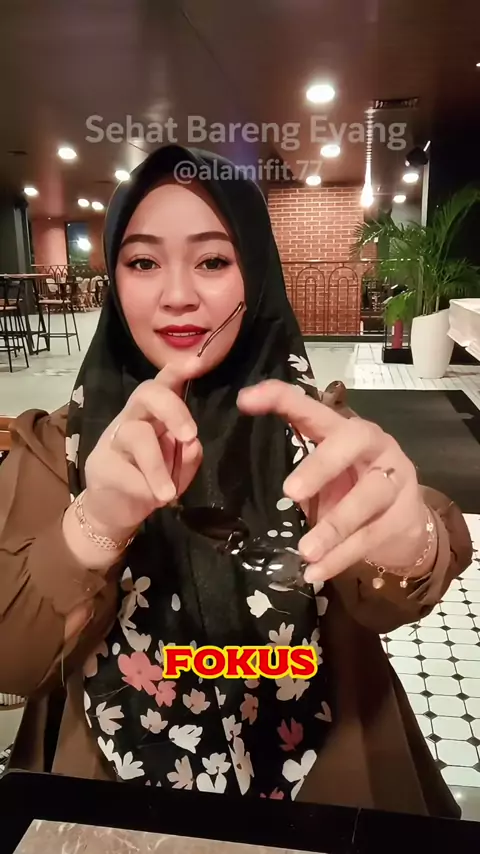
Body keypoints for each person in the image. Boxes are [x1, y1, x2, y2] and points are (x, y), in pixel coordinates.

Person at [0, 144, 472, 816]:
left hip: (328, 773)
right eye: (142, 262)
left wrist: (408, 542)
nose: (178, 295)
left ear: (255, 273)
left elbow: (395, 592)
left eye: (213, 260)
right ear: (115, 281)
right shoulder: (57, 447)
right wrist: (94, 521)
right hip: (107, 790)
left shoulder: (319, 434)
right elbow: (13, 662)